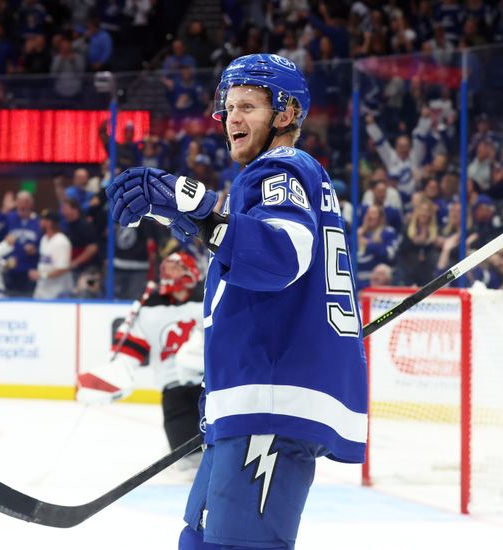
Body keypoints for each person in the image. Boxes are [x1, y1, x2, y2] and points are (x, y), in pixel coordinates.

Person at [106, 53, 367, 550]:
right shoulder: (286, 176)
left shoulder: (278, 170)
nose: (232, 118)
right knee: (200, 540)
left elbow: (281, 256)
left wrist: (198, 206)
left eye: (248, 105)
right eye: (228, 107)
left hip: (270, 401)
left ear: (286, 113)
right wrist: (174, 211)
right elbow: (245, 252)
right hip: (258, 400)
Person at [77, 252, 205, 468]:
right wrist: (112, 377)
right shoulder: (149, 307)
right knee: (187, 462)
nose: (169, 273)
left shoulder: (208, 299)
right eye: (167, 268)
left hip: (209, 389)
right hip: (173, 391)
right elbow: (130, 350)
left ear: (190, 270)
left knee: (219, 451)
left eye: (176, 268)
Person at [29, 209, 74, 299]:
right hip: (42, 290)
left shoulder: (61, 241)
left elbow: (63, 268)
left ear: (50, 223)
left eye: (43, 220)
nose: (40, 222)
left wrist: (42, 275)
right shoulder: (44, 239)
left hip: (57, 293)